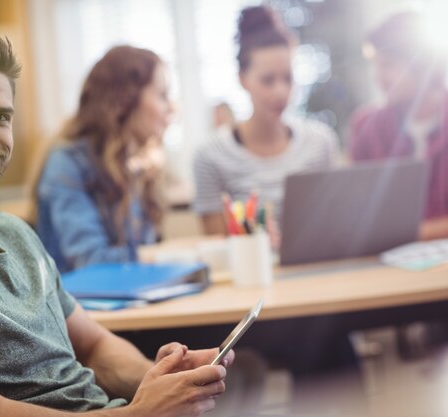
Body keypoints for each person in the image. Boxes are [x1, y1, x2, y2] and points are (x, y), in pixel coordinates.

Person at [0, 26, 233, 417]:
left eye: (1, 116)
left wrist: (161, 380)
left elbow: (94, 347)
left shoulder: (15, 234)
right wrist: (140, 413)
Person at [193, 5, 340, 236]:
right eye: (268, 80)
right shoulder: (210, 155)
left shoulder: (320, 143)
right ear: (243, 79)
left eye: (287, 78)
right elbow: (218, 242)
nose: (281, 92)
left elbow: (335, 225)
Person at [36, 45, 172, 272]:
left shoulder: (133, 164)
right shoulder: (67, 164)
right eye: (162, 96)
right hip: (81, 304)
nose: (172, 108)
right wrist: (166, 256)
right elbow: (91, 262)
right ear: (125, 100)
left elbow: (139, 253)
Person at [349, 11, 448, 240]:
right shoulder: (366, 127)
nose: (379, 77)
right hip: (386, 263)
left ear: (423, 65)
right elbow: (359, 212)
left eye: (388, 66)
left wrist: (408, 233)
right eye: (376, 66)